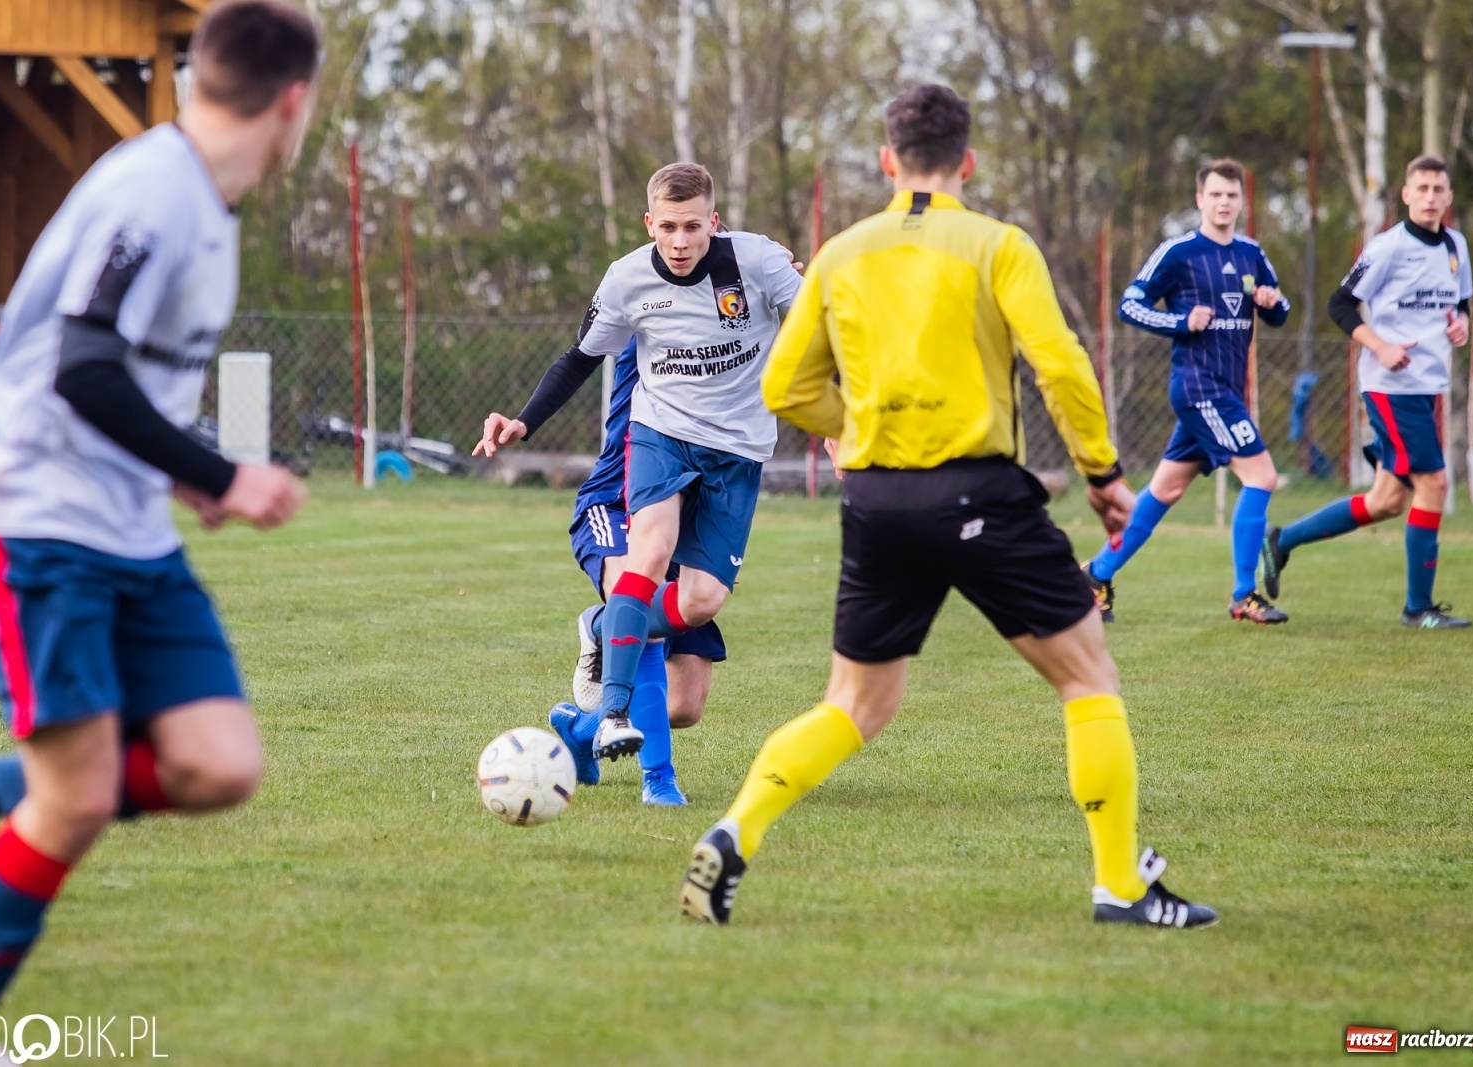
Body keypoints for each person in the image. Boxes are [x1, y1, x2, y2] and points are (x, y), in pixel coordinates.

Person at [680, 84, 1217, 930]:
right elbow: (1063, 367)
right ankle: (1119, 882)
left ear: (889, 162)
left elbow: (786, 385)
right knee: (1086, 678)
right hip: (980, 491)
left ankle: (735, 827)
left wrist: (852, 427)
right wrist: (1104, 474)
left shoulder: (842, 252)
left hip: (878, 500)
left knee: (854, 706)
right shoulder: (997, 244)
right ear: (967, 162)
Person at [0, 2, 318, 1060]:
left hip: (129, 523)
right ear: (293, 101)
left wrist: (178, 480)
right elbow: (81, 363)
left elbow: (118, 376)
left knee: (218, 762)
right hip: (36, 515)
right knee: (80, 797)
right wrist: (223, 470)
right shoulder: (153, 194)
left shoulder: (206, 204)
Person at [475, 163, 801, 768]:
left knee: (695, 642)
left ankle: (597, 667)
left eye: (693, 228)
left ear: (714, 224)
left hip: (734, 456)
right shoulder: (625, 285)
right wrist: (524, 421)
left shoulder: (754, 264)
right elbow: (577, 358)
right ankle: (621, 723)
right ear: (649, 225)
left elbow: (820, 327)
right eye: (668, 228)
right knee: (645, 559)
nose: (680, 243)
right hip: (656, 445)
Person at [1262, 156, 1472, 629]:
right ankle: (1418, 609)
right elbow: (1340, 304)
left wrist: (1461, 326)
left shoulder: (1456, 245)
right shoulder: (1388, 248)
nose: (1431, 197)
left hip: (1428, 388)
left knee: (1387, 501)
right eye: (1422, 188)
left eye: (1439, 189)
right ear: (1406, 194)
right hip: (1390, 385)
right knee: (1434, 485)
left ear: (1449, 197)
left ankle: (1282, 540)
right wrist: (1381, 345)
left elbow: (1460, 307)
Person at [1083, 159, 1292, 624]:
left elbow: (1280, 308)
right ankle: (1244, 594)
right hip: (1199, 387)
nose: (1223, 203)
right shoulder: (1178, 252)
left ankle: (1095, 575)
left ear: (1242, 201)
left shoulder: (1251, 253)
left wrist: (1271, 303)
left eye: (1231, 196)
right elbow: (1130, 304)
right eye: (1215, 194)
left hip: (1225, 389)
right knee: (1261, 476)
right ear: (1199, 199)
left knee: (1165, 491)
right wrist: (1181, 321)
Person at [549, 335, 729, 805]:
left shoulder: (733, 325)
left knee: (685, 706)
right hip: (616, 503)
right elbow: (577, 360)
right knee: (643, 609)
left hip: (687, 519)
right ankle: (660, 782)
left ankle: (580, 730)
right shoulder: (654, 317)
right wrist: (523, 422)